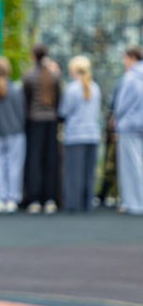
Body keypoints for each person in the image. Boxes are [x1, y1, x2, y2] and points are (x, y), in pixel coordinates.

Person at [21, 44, 63, 213]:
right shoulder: (54, 76)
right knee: (51, 160)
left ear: (33, 56)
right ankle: (50, 198)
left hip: (34, 122)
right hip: (51, 121)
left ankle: (34, 198)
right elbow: (58, 99)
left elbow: (26, 101)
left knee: (34, 160)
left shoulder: (29, 76)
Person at [59, 55, 103, 212]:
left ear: (73, 70)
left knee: (74, 172)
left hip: (75, 136)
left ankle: (73, 203)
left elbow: (64, 111)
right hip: (93, 135)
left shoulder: (72, 89)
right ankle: (87, 202)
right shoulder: (95, 88)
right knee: (89, 172)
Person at [0, 56, 26, 213]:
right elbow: (21, 112)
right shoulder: (16, 89)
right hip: (15, 132)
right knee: (14, 166)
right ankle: (12, 198)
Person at [111, 46, 143, 216]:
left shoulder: (130, 78)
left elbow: (121, 105)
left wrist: (116, 121)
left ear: (131, 58)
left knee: (130, 166)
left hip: (129, 126)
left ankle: (134, 202)